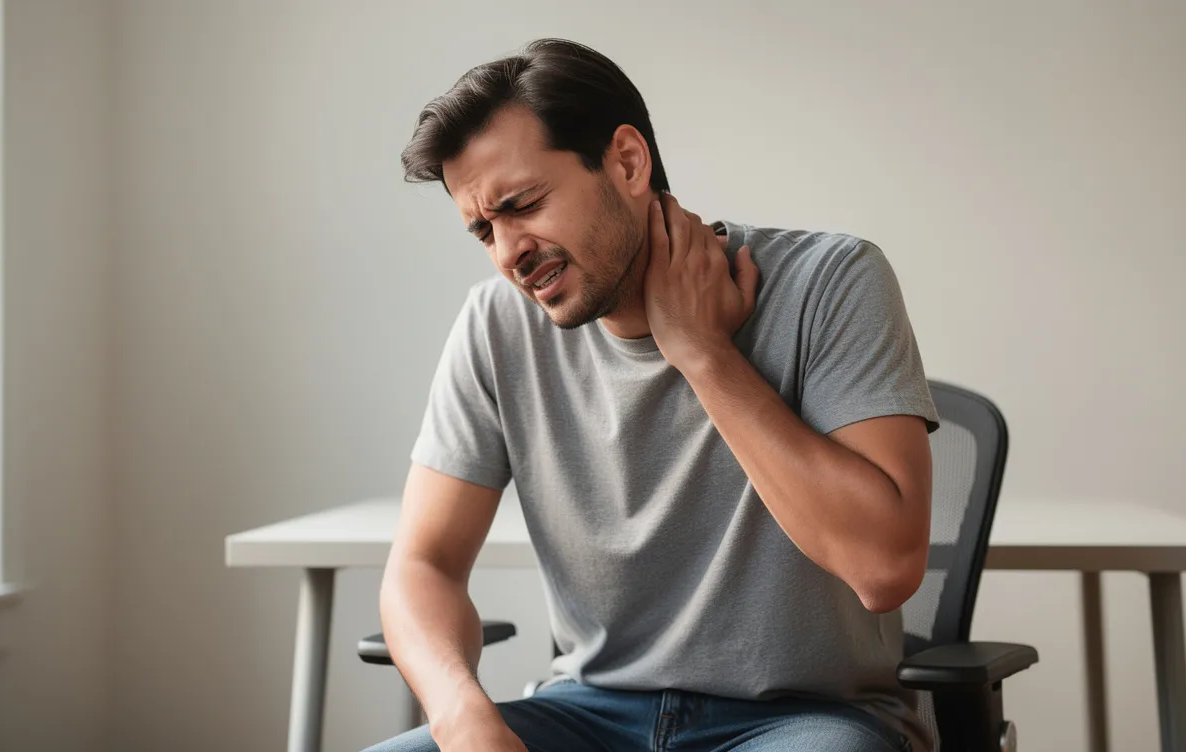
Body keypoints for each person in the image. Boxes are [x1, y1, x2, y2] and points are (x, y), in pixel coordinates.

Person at [365, 38, 940, 752]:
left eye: (523, 204)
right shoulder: (495, 328)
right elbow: (422, 567)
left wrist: (703, 354)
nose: (509, 252)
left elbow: (885, 570)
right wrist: (461, 715)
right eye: (485, 229)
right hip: (590, 715)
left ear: (628, 162)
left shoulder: (831, 281)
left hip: (804, 720)